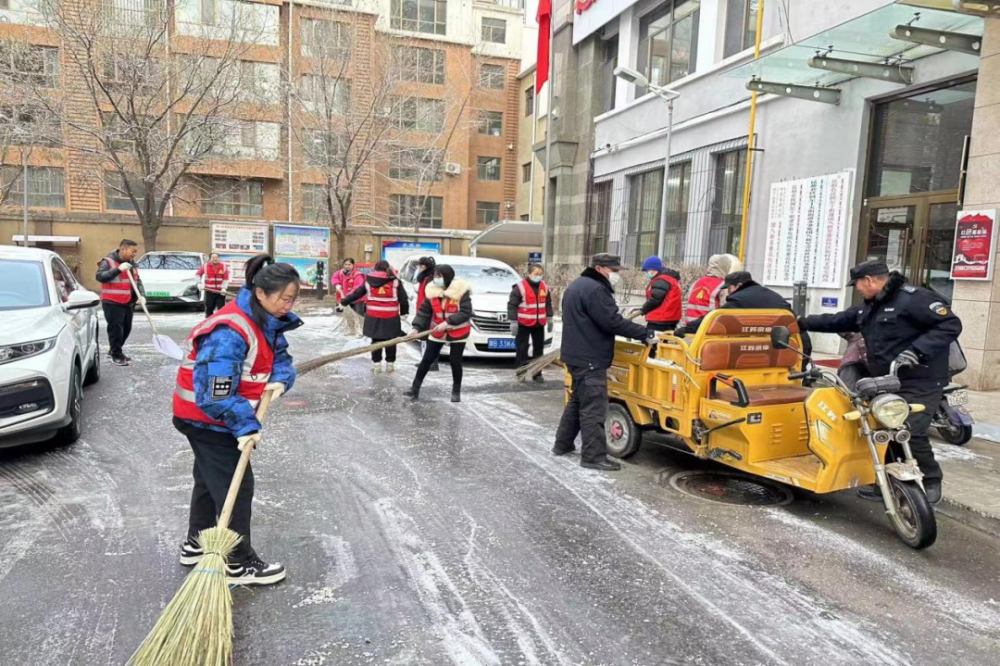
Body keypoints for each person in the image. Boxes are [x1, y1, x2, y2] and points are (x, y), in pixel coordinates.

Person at [173, 254, 302, 585]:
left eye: (292, 299)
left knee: (207, 481)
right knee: (237, 486)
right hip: (208, 419)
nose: (289, 305)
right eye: (284, 298)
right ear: (261, 293)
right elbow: (214, 394)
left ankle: (196, 544)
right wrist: (245, 426)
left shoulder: (266, 320)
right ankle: (238, 562)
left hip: (215, 418)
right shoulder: (229, 331)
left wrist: (280, 379)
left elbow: (281, 357)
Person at [799, 260, 962, 505]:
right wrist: (798, 321)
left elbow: (950, 324)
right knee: (882, 429)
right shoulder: (870, 306)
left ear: (870, 280)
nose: (859, 290)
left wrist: (917, 351)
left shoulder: (913, 298)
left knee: (909, 429)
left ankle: (930, 479)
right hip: (886, 379)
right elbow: (838, 320)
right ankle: (889, 482)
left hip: (921, 378)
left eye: (859, 285)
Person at [553, 254, 654, 471]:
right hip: (590, 357)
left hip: (576, 355)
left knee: (578, 402)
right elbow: (612, 321)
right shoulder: (596, 290)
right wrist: (644, 333)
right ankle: (593, 457)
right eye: (613, 270)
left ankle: (562, 445)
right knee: (594, 409)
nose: (616, 274)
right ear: (600, 268)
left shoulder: (577, 286)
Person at [405, 265, 473, 402]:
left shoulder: (460, 292)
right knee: (426, 360)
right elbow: (424, 312)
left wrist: (448, 322)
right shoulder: (432, 292)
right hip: (437, 332)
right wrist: (416, 327)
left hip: (458, 331)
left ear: (447, 277)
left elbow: (465, 312)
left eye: (439, 276)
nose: (436, 279)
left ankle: (456, 391)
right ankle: (414, 389)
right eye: (435, 276)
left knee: (455, 361)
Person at [341, 260, 409, 374]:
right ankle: (390, 365)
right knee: (391, 341)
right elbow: (403, 299)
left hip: (373, 316)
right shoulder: (395, 281)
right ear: (387, 268)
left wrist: (344, 301)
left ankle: (376, 365)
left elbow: (357, 293)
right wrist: (404, 312)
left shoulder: (368, 280)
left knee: (375, 340)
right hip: (391, 316)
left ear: (375, 268)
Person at [675, 271, 790, 337]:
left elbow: (714, 317)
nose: (728, 292)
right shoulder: (769, 294)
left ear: (739, 285)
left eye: (729, 288)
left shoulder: (740, 299)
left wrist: (686, 329)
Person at [96, 239, 144, 366]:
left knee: (126, 329)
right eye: (132, 251)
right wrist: (118, 269)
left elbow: (137, 280)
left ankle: (115, 350)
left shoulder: (131, 263)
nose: (134, 254)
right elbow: (100, 277)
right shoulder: (108, 262)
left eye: (136, 251)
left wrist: (141, 295)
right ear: (123, 249)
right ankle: (116, 354)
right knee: (116, 330)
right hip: (112, 302)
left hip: (128, 302)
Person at [508, 263, 554, 382]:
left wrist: (550, 318)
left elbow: (548, 303)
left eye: (540, 274)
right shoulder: (520, 287)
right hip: (523, 323)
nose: (538, 276)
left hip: (539, 323)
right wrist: (513, 321)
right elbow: (512, 305)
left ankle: (537, 374)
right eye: (536, 274)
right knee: (522, 349)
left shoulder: (544, 287)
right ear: (529, 274)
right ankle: (521, 373)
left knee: (539, 350)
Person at [684, 254, 743, 322]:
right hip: (708, 327)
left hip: (690, 326)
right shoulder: (723, 285)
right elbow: (726, 309)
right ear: (725, 267)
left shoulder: (696, 283)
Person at [638, 256, 682, 332]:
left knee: (652, 341)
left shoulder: (662, 280)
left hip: (660, 318)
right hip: (670, 317)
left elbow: (655, 299)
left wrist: (644, 309)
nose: (645, 273)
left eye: (646, 271)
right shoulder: (669, 278)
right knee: (663, 341)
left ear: (653, 269)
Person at [414, 256, 439, 372]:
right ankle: (427, 361)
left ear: (423, 267)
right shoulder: (425, 278)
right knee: (425, 338)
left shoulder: (429, 279)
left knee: (429, 338)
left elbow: (429, 297)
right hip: (423, 312)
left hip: (428, 313)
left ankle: (431, 363)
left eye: (419, 266)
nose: (418, 268)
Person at [197, 253, 230, 318]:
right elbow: (197, 275)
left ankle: (221, 322)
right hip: (209, 291)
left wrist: (224, 288)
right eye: (213, 257)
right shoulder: (206, 266)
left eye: (216, 257)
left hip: (220, 292)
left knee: (221, 309)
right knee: (209, 307)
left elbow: (226, 278)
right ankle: (208, 322)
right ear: (210, 259)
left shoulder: (223, 266)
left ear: (219, 258)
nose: (215, 259)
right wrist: (199, 283)